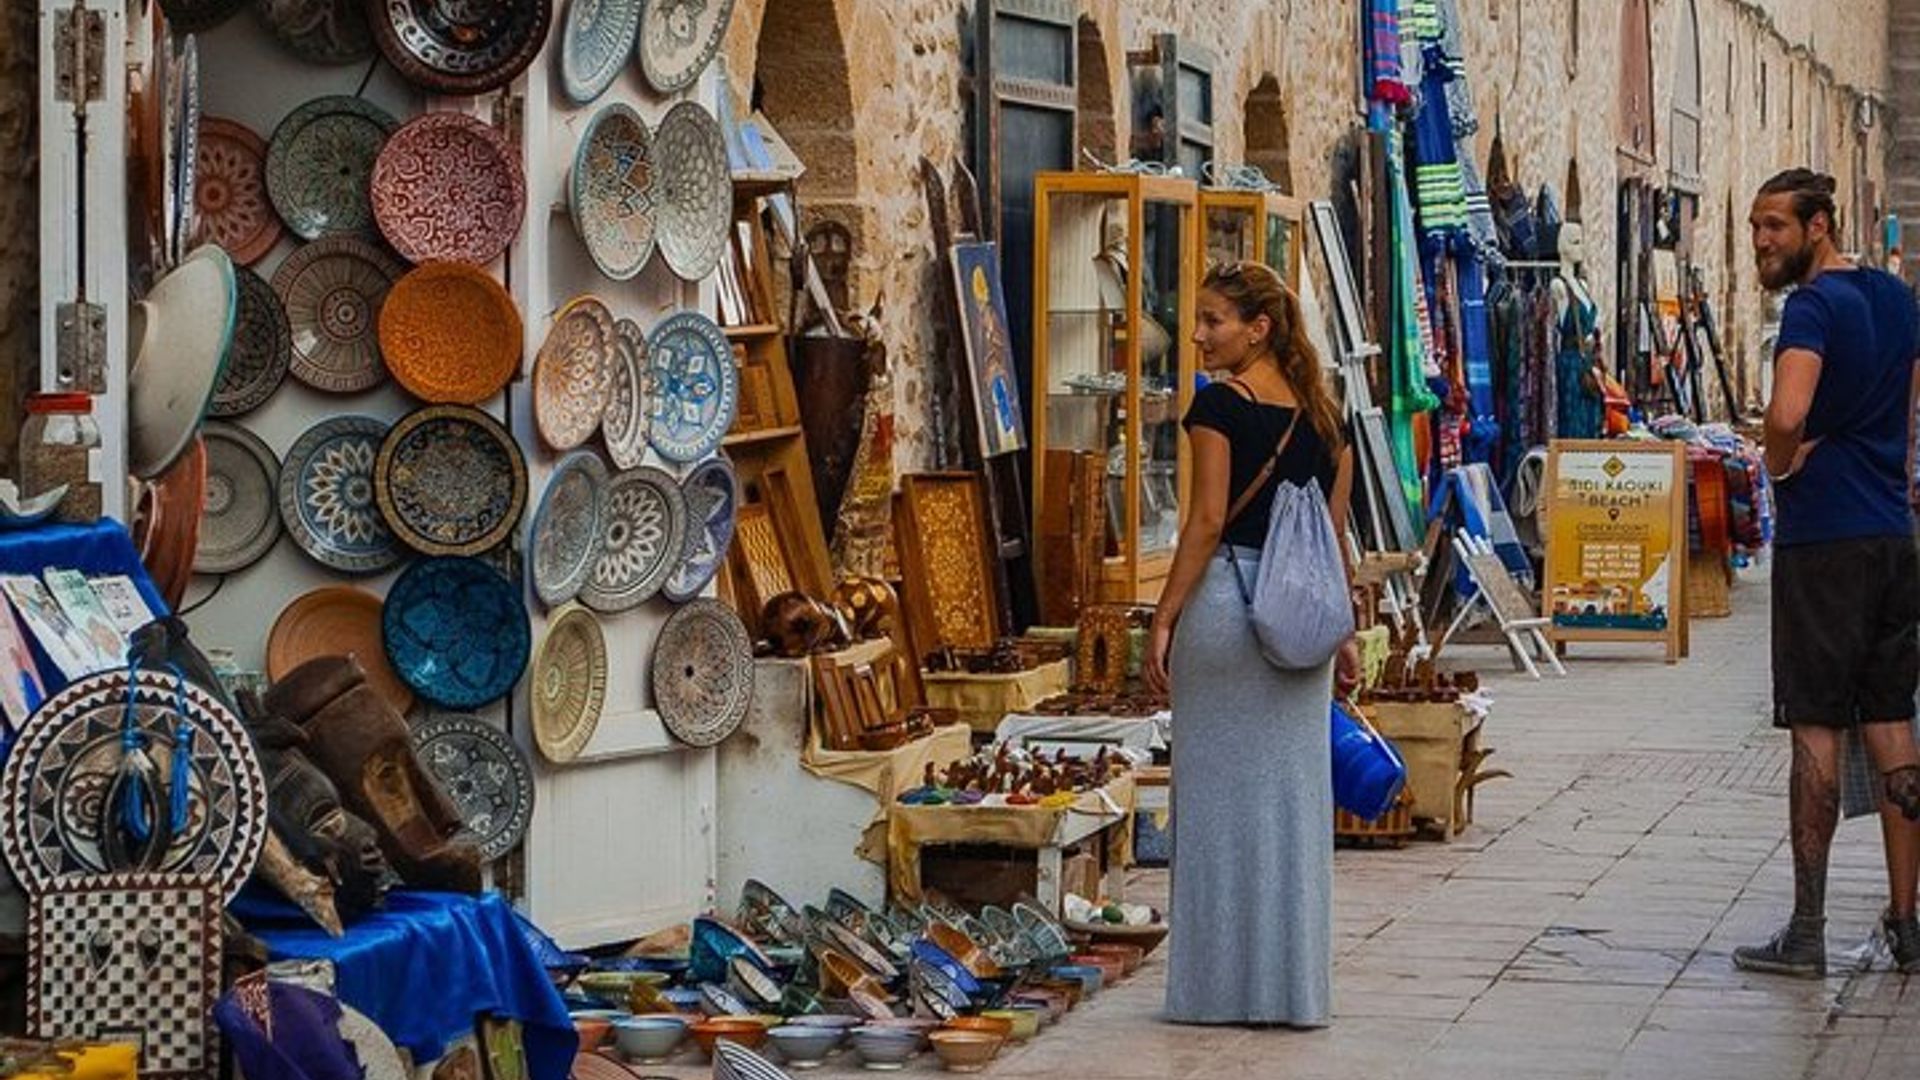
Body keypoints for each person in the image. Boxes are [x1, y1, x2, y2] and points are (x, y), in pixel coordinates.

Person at [1145, 260, 1358, 1026]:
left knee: (1215, 809)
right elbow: (1333, 539)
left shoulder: (1219, 409)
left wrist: (1164, 615)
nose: (1198, 336)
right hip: (1302, 627)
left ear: (1257, 328)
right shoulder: (1326, 417)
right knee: (1292, 810)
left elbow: (1204, 523)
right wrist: (1348, 636)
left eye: (1212, 321)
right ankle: (1290, 992)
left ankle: (1215, 991)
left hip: (1231, 613)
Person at [1733, 168, 1920, 977]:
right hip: (1891, 532)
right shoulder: (1898, 300)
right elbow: (1908, 414)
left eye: (1775, 226)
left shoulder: (1811, 307)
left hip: (1825, 541)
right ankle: (1907, 920)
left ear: (1819, 227)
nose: (1762, 242)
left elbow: (1784, 413)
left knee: (1814, 722)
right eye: (1754, 228)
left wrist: (1777, 466)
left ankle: (1806, 930)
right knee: (1891, 721)